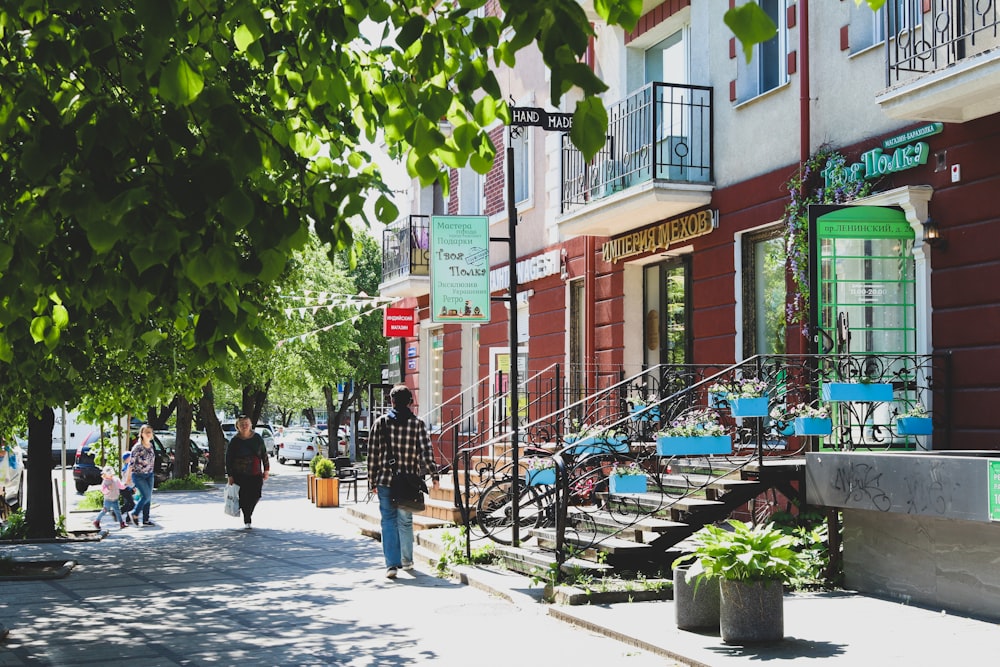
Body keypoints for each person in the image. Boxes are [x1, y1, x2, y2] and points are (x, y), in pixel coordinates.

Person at [368, 385, 439, 579]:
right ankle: (407, 560)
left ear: (391, 402)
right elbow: (426, 452)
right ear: (409, 402)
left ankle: (391, 565)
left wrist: (371, 480)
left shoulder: (380, 423)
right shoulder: (417, 424)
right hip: (409, 481)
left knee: (388, 521)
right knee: (406, 521)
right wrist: (434, 475)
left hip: (385, 480)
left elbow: (372, 455)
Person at [226, 415, 269, 530]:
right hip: (239, 473)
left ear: (250, 425)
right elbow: (228, 459)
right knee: (244, 496)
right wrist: (230, 475)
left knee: (256, 495)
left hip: (255, 472)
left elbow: (264, 454)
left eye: (246, 423)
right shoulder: (235, 441)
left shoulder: (257, 438)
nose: (244, 426)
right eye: (242, 424)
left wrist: (266, 470)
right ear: (238, 426)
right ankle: (247, 518)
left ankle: (247, 511)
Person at [126, 425, 157, 527]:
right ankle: (134, 513)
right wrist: (128, 477)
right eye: (146, 432)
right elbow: (131, 463)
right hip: (138, 475)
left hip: (149, 474)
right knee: (146, 495)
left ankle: (146, 519)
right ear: (141, 434)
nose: (148, 434)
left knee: (148, 497)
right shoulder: (137, 447)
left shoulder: (151, 446)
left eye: (150, 432)